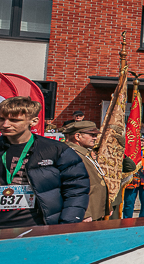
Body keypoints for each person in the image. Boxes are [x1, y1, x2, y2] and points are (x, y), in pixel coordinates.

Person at [0, 96, 89, 229]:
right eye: (1, 119)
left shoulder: (56, 150)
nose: (5, 124)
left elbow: (76, 189)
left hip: (38, 227)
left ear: (34, 121)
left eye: (14, 120)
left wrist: (67, 224)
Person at [63, 120, 110, 222]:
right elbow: (73, 186)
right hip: (85, 213)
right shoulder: (72, 155)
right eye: (91, 135)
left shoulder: (84, 153)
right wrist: (85, 213)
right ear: (78, 136)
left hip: (95, 211)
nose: (95, 138)